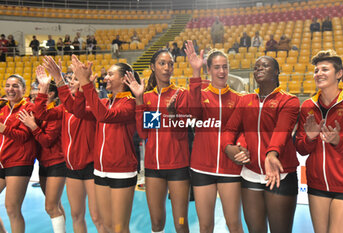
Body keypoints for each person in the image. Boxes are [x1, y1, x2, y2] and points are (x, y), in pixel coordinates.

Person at [222, 56, 300, 233]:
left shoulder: (289, 100)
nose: (259, 69)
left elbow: (282, 131)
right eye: (256, 67)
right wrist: (229, 148)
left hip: (280, 175)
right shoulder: (245, 100)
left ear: (277, 71)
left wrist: (271, 154)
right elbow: (229, 129)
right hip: (250, 174)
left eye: (265, 66)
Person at [33, 57, 106, 233]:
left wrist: (60, 80)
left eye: (75, 78)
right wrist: (43, 89)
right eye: (70, 78)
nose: (72, 81)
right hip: (71, 167)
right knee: (76, 215)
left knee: (97, 217)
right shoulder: (63, 108)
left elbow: (78, 109)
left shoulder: (95, 105)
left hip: (91, 167)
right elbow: (40, 113)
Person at [69, 54, 140, 233]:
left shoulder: (130, 103)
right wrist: (80, 86)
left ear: (124, 80)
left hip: (122, 171)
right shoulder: (104, 102)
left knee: (119, 228)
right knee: (106, 225)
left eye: (110, 74)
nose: (105, 77)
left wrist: (87, 84)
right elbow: (78, 111)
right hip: (100, 170)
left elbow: (104, 116)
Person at [129, 49, 190, 233]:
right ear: (152, 67)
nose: (167, 67)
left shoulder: (181, 95)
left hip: (178, 167)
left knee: (180, 223)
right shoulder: (147, 98)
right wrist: (139, 100)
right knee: (156, 224)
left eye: (170, 63)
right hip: (154, 168)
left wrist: (172, 113)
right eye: (162, 63)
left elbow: (181, 134)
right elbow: (144, 134)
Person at [185, 40, 244, 233]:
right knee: (205, 226)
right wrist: (195, 73)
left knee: (234, 224)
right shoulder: (199, 94)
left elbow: (243, 130)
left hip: (230, 167)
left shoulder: (238, 99)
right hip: (202, 167)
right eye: (217, 67)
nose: (221, 71)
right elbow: (193, 115)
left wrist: (241, 146)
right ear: (208, 69)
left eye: (225, 67)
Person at [295, 50, 343, 233]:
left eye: (325, 69)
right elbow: (301, 149)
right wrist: (310, 138)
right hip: (316, 185)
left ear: (340, 73)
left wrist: (338, 141)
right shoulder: (307, 106)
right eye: (316, 70)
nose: (318, 74)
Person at [18, 76, 66, 233]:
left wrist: (33, 126)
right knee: (56, 205)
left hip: (57, 163)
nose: (34, 93)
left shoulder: (55, 113)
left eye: (38, 90)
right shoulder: (40, 112)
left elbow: (47, 141)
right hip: (45, 163)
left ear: (50, 94)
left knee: (51, 206)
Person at [0, 74, 37, 233]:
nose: (11, 89)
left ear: (24, 89)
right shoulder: (3, 107)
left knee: (12, 208)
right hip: (2, 161)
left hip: (19, 161)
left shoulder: (28, 108)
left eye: (15, 86)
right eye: (8, 85)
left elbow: (23, 137)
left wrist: (3, 129)